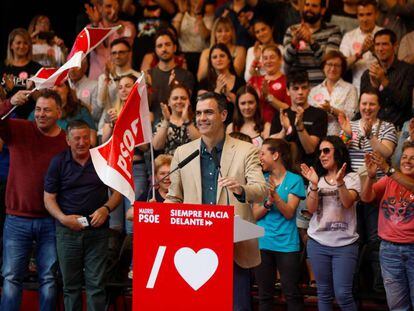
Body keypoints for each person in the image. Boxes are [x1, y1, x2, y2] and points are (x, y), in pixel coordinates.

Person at [166, 92, 267, 310]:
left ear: (223, 114)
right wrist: (158, 219)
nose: (202, 118)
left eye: (208, 112)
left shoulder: (246, 150)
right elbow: (174, 198)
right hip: (195, 246)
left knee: (237, 307)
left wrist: (241, 189)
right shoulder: (183, 152)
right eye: (199, 113)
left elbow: (261, 190)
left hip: (234, 246)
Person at [0, 89, 68, 311]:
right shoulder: (19, 129)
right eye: (38, 109)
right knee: (11, 277)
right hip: (16, 218)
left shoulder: (66, 142)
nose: (41, 114)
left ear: (59, 112)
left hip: (51, 220)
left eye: (47, 110)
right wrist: (10, 102)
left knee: (48, 279)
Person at [44, 120, 122, 311]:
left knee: (96, 286)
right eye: (76, 138)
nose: (81, 142)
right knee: (71, 287)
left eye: (85, 137)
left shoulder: (102, 160)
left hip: (98, 232)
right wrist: (63, 219)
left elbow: (117, 193)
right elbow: (48, 198)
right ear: (67, 140)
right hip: (67, 232)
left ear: (91, 138)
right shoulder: (58, 162)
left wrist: (106, 208)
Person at [339, 88, 397, 293]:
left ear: (379, 106)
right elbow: (341, 150)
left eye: (372, 104)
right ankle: (355, 285)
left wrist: (370, 135)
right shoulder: (351, 125)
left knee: (375, 238)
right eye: (364, 104)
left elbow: (386, 152)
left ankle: (379, 286)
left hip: (377, 189)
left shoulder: (388, 127)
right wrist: (345, 135)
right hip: (353, 190)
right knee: (354, 237)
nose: (367, 108)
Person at [301, 136, 361, 311]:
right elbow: (311, 209)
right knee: (324, 294)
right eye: (320, 152)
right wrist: (313, 185)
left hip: (345, 244)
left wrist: (340, 182)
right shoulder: (317, 179)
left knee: (343, 294)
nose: (322, 155)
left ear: (339, 152)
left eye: (326, 150)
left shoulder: (351, 177)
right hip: (318, 243)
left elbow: (347, 202)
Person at [253, 138, 305, 311]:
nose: (259, 157)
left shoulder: (294, 180)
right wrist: (268, 203)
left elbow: (289, 212)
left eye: (262, 153)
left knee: (291, 294)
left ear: (275, 155)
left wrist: (275, 197)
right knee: (264, 296)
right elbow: (254, 214)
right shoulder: (261, 179)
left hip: (287, 245)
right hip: (263, 243)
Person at [361, 142, 414, 311]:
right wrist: (370, 177)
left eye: (413, 158)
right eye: (404, 157)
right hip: (389, 250)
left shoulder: (392, 175)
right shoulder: (388, 181)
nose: (408, 161)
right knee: (397, 306)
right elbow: (366, 198)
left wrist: (388, 169)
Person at [270, 70, 327, 169]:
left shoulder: (319, 114)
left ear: (309, 89)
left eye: (304, 87)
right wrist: (284, 130)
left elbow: (310, 149)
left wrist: (300, 127)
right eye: (295, 88)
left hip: (310, 170)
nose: (300, 92)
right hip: (283, 171)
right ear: (288, 91)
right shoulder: (281, 115)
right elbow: (270, 148)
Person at [360, 28, 414, 129]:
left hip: (399, 129)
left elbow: (404, 103)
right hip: (373, 129)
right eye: (377, 44)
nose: (380, 49)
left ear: (395, 46)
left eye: (384, 44)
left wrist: (383, 80)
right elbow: (365, 108)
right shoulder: (367, 74)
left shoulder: (408, 70)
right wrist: (375, 86)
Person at [283, 0, 342, 86]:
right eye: (307, 5)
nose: (309, 9)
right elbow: (286, 63)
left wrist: (312, 42)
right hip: (298, 87)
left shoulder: (333, 30)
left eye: (314, 6)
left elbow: (329, 63)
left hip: (322, 87)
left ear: (323, 10)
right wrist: (294, 43)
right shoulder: (292, 30)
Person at [147, 29, 195, 124]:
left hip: (178, 125)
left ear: (175, 48)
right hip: (153, 125)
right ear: (155, 50)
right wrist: (146, 88)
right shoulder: (148, 75)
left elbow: (185, 104)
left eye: (167, 44)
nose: (164, 49)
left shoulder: (186, 75)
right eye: (160, 46)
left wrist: (172, 86)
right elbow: (145, 107)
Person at [28, 81, 97, 146]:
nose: (55, 89)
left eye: (59, 85)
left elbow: (92, 140)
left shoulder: (81, 111)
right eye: (51, 86)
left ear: (67, 89)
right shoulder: (38, 113)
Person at [308, 50, 358, 135]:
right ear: (323, 66)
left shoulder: (350, 89)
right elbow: (310, 117)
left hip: (342, 139)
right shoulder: (314, 91)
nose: (332, 68)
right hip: (317, 139)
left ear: (342, 69)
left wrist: (331, 110)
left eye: (337, 65)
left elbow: (351, 118)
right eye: (329, 64)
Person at [96, 38, 139, 135]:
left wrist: (115, 76)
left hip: (129, 129)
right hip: (106, 128)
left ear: (129, 53)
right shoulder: (103, 77)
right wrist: (107, 78)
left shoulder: (138, 76)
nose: (117, 56)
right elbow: (100, 103)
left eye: (121, 52)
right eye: (114, 53)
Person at [85, 0, 136, 79]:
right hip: (96, 81)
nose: (113, 10)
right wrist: (95, 25)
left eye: (116, 7)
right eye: (108, 6)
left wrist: (118, 30)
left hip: (121, 82)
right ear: (100, 8)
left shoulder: (127, 26)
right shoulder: (90, 29)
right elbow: (91, 46)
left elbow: (125, 48)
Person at [339, 0, 382, 93]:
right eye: (361, 15)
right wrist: (361, 52)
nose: (365, 19)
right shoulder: (349, 36)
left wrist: (374, 51)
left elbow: (392, 64)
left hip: (381, 87)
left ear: (376, 14)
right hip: (357, 89)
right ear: (357, 16)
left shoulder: (384, 35)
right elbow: (341, 66)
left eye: (369, 14)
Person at [0, 28, 41, 119]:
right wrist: (6, 89)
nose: (22, 46)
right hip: (6, 117)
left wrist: (32, 90)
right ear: (11, 45)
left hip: (31, 118)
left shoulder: (37, 68)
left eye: (25, 43)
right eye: (18, 43)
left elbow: (41, 100)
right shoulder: (2, 68)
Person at [152, 84, 200, 155]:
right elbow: (156, 146)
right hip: (168, 163)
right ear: (169, 102)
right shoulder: (161, 121)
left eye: (183, 98)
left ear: (189, 101)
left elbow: (201, 144)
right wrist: (166, 121)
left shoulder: (198, 119)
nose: (179, 101)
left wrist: (187, 121)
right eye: (175, 98)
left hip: (192, 163)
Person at [249, 44, 290, 123]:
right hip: (255, 126)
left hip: (278, 127)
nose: (268, 61)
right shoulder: (254, 80)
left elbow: (289, 110)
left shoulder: (287, 81)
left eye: (272, 57)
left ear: (280, 59)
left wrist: (268, 97)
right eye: (265, 58)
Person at [197, 16, 246, 81]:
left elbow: (237, 72)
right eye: (219, 31)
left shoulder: (240, 50)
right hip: (211, 86)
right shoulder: (206, 52)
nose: (223, 34)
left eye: (227, 31)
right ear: (214, 33)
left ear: (232, 32)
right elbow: (200, 77)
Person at [172, 0, 214, 75]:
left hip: (201, 56)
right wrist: (181, 13)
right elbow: (173, 35)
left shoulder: (208, 16)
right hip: (184, 55)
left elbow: (205, 35)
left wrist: (198, 14)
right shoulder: (182, 15)